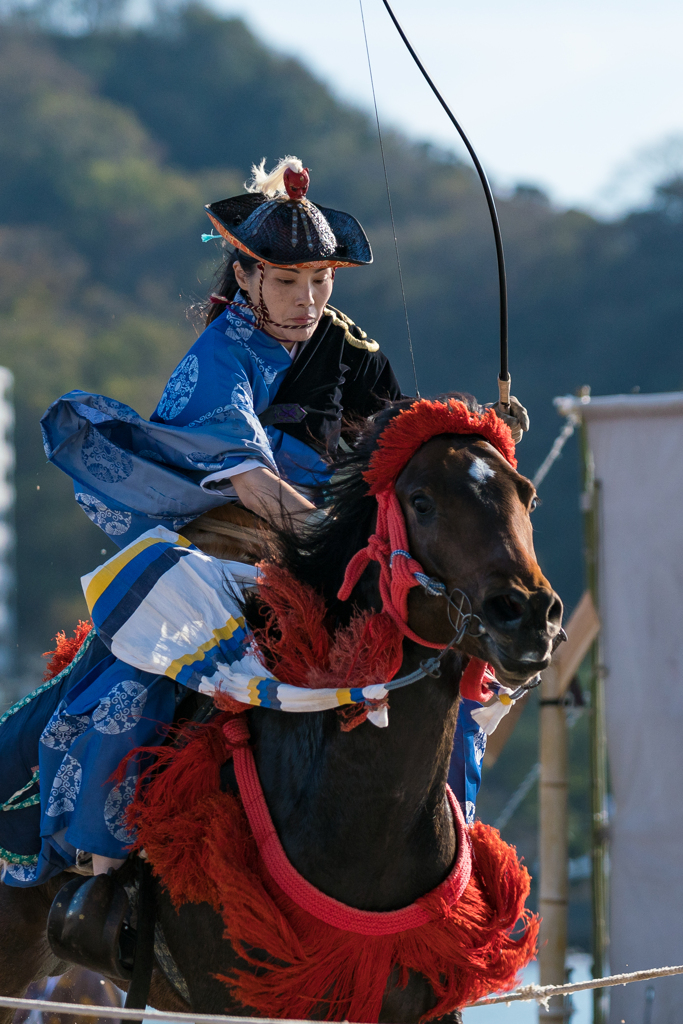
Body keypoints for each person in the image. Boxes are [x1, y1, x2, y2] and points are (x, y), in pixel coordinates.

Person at [1, 157, 528, 893]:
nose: (307, 298)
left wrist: (481, 436)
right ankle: (102, 866)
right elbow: (253, 484)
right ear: (246, 277)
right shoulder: (219, 355)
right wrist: (348, 547)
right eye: (286, 281)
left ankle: (445, 843)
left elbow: (402, 446)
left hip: (343, 547)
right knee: (148, 664)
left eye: (321, 280)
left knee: (453, 657)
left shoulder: (349, 347)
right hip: (240, 542)